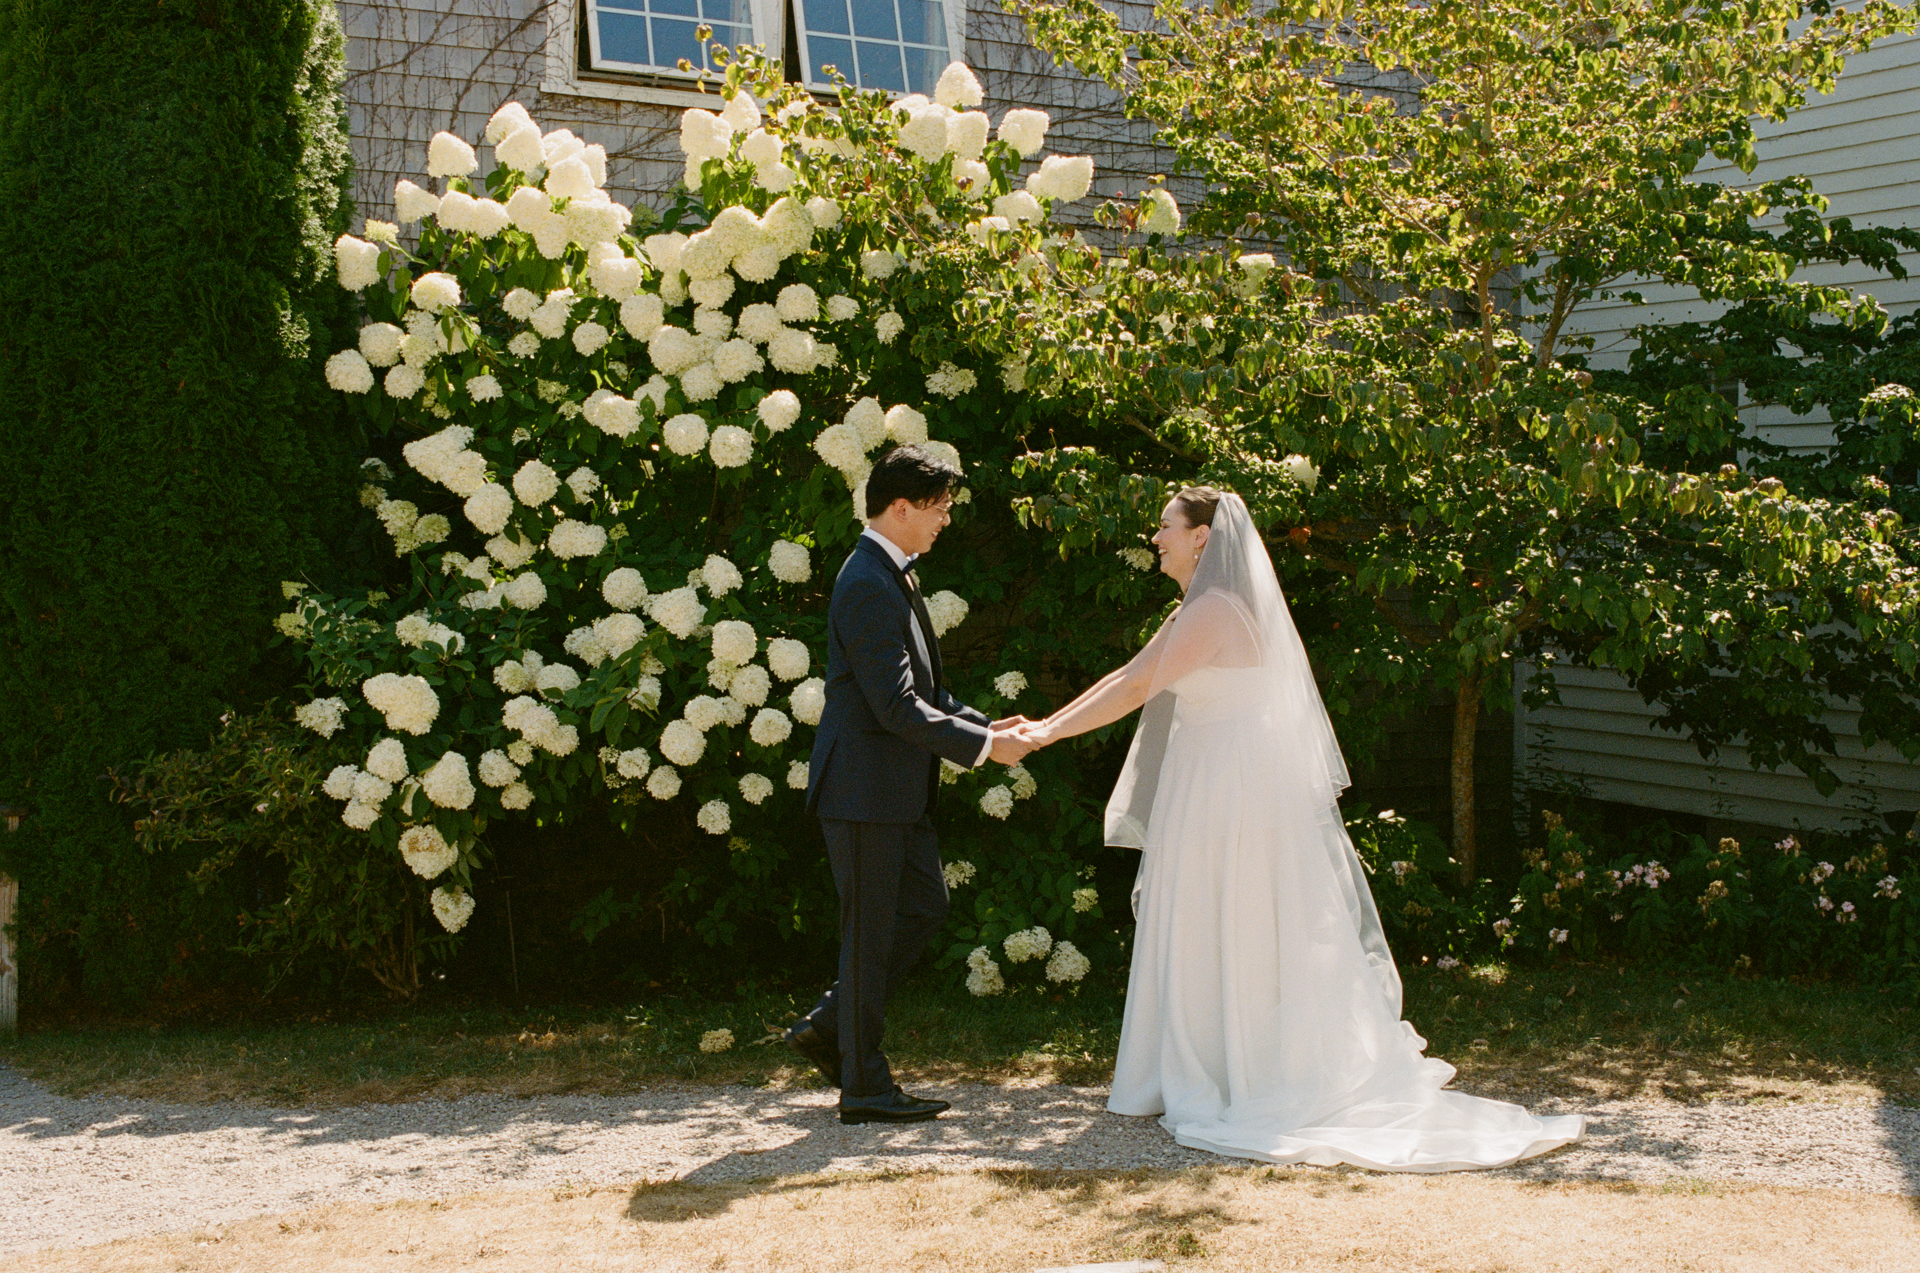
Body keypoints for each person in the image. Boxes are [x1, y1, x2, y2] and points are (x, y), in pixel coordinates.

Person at [1016, 486, 1585, 1170]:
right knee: (1219, 919)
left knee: (1231, 919)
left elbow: (1136, 685)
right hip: (1218, 785)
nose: (1156, 537)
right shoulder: (1205, 608)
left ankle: (1240, 1072)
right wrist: (1041, 727)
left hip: (1226, 793)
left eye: (1166, 526)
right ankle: (1216, 1062)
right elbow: (1131, 675)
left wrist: (1044, 732)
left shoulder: (1216, 610)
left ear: (1202, 536)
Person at [786, 444, 1037, 1125]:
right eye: (939, 507)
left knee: (923, 907)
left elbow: (926, 692)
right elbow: (894, 706)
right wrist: (986, 748)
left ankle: (833, 1026)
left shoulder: (892, 572)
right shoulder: (867, 580)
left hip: (893, 792)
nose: (946, 519)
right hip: (863, 792)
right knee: (867, 937)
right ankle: (864, 1085)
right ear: (899, 508)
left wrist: (990, 724)